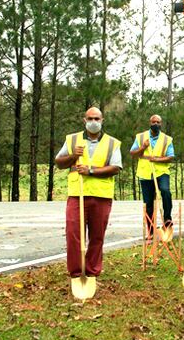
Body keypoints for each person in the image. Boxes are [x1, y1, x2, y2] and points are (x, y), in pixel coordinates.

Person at [54, 107, 122, 282]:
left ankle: (92, 271)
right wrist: (72, 156)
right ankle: (76, 273)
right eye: (90, 119)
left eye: (97, 119)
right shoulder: (72, 140)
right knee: (73, 233)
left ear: (102, 120)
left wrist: (90, 171)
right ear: (84, 120)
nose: (93, 122)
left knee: (97, 235)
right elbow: (59, 162)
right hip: (77, 194)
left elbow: (115, 168)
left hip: (101, 196)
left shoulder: (112, 143)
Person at [130, 114, 174, 237]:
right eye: (154, 122)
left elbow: (171, 156)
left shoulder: (167, 139)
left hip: (161, 172)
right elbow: (133, 153)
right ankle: (150, 231)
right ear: (150, 123)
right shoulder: (140, 137)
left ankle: (167, 219)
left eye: (158, 122)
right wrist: (143, 147)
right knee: (148, 203)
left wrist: (157, 160)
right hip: (145, 173)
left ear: (161, 124)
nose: (156, 124)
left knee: (165, 191)